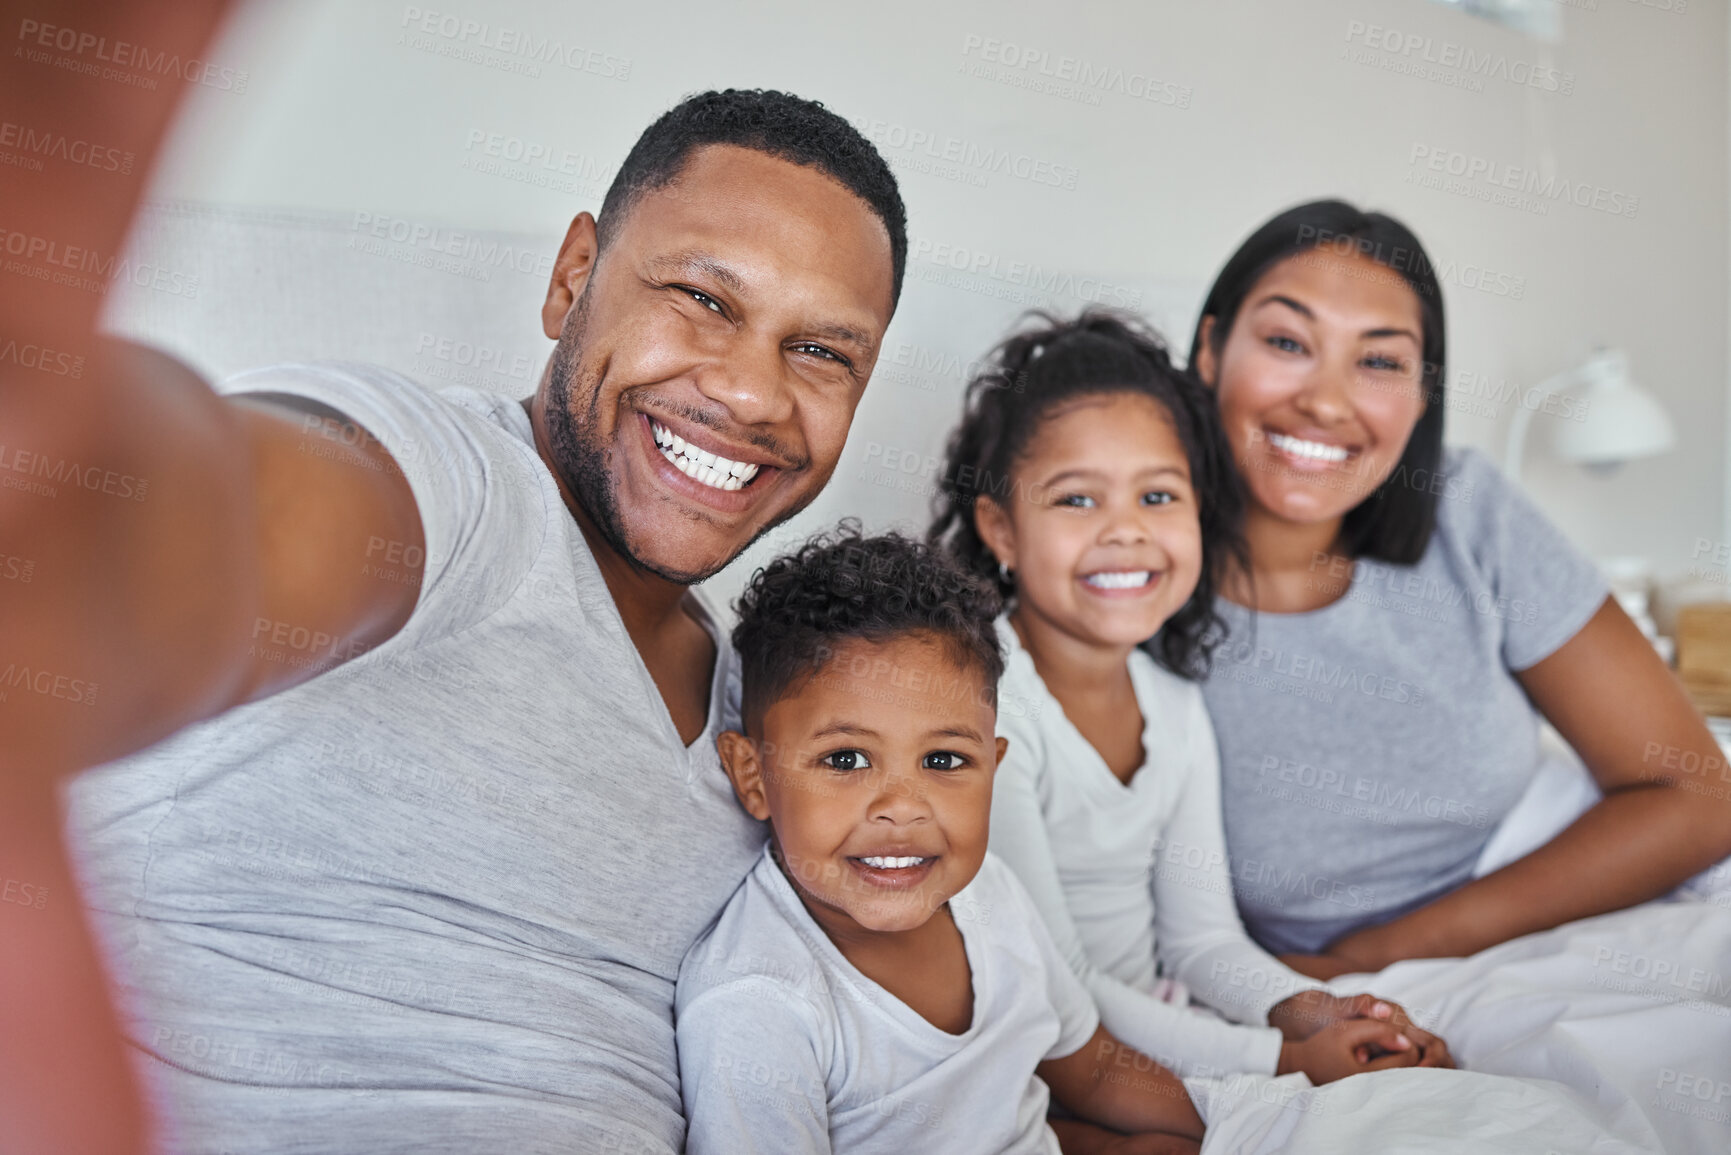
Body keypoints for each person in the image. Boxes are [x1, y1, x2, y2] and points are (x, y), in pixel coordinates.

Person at [8, 84, 906, 1153]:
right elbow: (206, 522)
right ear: (574, 278)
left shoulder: (766, 706)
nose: (754, 395)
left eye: (822, 353)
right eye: (704, 300)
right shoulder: (455, 495)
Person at [1185, 200, 1731, 976]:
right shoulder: (1116, 573)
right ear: (1209, 350)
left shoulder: (1466, 511)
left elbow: (1697, 794)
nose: (1325, 401)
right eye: (1285, 341)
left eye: (1378, 361)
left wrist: (1377, 954)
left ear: (1421, 392)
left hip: (1564, 901)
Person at [927, 310, 1447, 1084]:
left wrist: (1320, 1013)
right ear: (1001, 530)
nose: (1126, 532)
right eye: (1076, 500)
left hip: (1153, 1031)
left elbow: (1202, 940)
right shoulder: (986, 709)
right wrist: (1278, 1059)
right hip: (1041, 1048)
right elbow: (1055, 980)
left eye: (1159, 497)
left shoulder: (1173, 703)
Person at [676, 527, 1214, 1155]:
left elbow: (1091, 1069)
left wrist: (1248, 1124)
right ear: (754, 776)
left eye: (944, 761)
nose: (902, 808)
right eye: (846, 760)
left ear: (993, 764)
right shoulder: (758, 1002)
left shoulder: (991, 894)